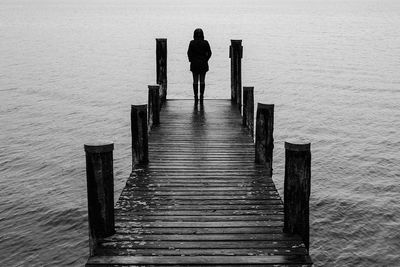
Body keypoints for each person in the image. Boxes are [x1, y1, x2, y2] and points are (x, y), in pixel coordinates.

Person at [187, 28, 212, 103]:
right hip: (203, 63)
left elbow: (189, 53)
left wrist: (191, 60)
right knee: (202, 80)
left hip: (194, 64)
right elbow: (210, 53)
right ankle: (201, 96)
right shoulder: (205, 42)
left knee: (195, 80)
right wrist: (205, 59)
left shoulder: (192, 43)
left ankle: (195, 96)